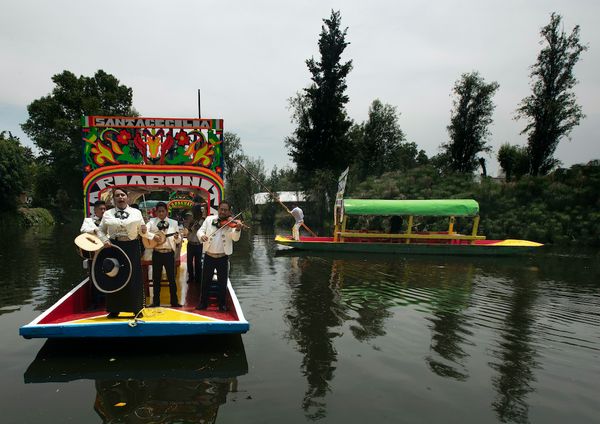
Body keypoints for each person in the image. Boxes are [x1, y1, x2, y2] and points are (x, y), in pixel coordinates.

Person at [97, 188, 153, 318]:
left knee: (134, 277)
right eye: (117, 195)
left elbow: (142, 231)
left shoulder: (137, 213)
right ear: (114, 199)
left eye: (122, 195)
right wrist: (104, 240)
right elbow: (100, 231)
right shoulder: (108, 214)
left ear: (127, 198)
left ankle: (136, 308)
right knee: (115, 275)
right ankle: (114, 309)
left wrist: (145, 231)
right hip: (114, 247)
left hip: (132, 246)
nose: (120, 197)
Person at [195, 200, 242, 312]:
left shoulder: (231, 224)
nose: (223, 212)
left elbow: (235, 238)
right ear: (218, 209)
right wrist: (202, 236)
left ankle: (222, 305)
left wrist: (238, 228)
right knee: (205, 281)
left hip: (223, 257)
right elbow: (199, 231)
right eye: (221, 209)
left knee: (222, 282)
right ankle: (203, 303)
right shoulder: (209, 219)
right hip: (209, 256)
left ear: (229, 212)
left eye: (225, 210)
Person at [147, 202, 182, 307]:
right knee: (156, 278)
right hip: (157, 253)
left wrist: (177, 238)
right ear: (156, 212)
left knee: (172, 278)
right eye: (159, 211)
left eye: (163, 211)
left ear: (167, 212)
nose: (161, 213)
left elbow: (178, 239)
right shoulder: (151, 222)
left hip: (169, 254)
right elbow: (144, 232)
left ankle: (174, 302)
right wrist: (153, 236)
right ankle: (155, 302)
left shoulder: (174, 223)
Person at [185, 204, 205, 285]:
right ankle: (191, 277)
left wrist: (202, 218)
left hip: (198, 244)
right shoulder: (190, 220)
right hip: (190, 243)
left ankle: (198, 278)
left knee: (198, 263)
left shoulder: (203, 221)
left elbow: (198, 227)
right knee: (189, 262)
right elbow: (188, 229)